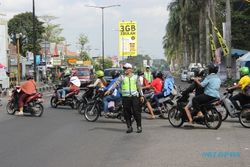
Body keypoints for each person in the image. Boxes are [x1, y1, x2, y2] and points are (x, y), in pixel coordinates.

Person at [105, 63, 144, 133]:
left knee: (136, 112)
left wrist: (142, 95)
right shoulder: (122, 77)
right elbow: (115, 84)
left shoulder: (135, 77)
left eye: (126, 68)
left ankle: (139, 126)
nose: (125, 70)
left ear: (130, 69)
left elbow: (139, 87)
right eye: (124, 69)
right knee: (127, 113)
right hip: (125, 98)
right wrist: (109, 90)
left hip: (134, 97)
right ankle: (129, 127)